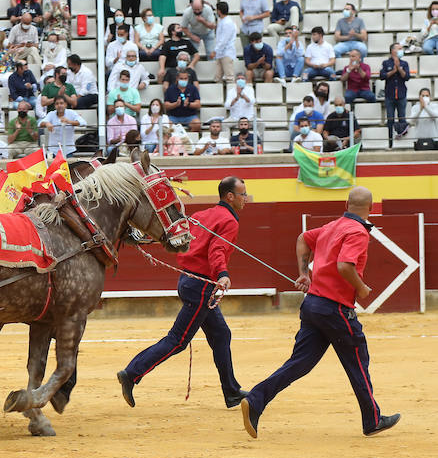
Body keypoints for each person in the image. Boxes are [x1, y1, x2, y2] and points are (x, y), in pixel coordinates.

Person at [242, 188, 401, 438]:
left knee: (300, 363)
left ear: (347, 204)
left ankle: (256, 398)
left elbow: (303, 239)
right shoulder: (357, 231)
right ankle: (372, 420)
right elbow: (344, 265)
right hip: (335, 309)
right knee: (358, 361)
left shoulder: (333, 226)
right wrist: (360, 287)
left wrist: (304, 273)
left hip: (313, 304)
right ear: (370, 208)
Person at [119, 177, 250, 409]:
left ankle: (231, 391)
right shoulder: (229, 221)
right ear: (230, 196)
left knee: (221, 334)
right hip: (201, 286)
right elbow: (217, 250)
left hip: (188, 280)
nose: (245, 199)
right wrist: (222, 273)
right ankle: (132, 373)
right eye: (243, 194)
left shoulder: (201, 216)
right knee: (178, 340)